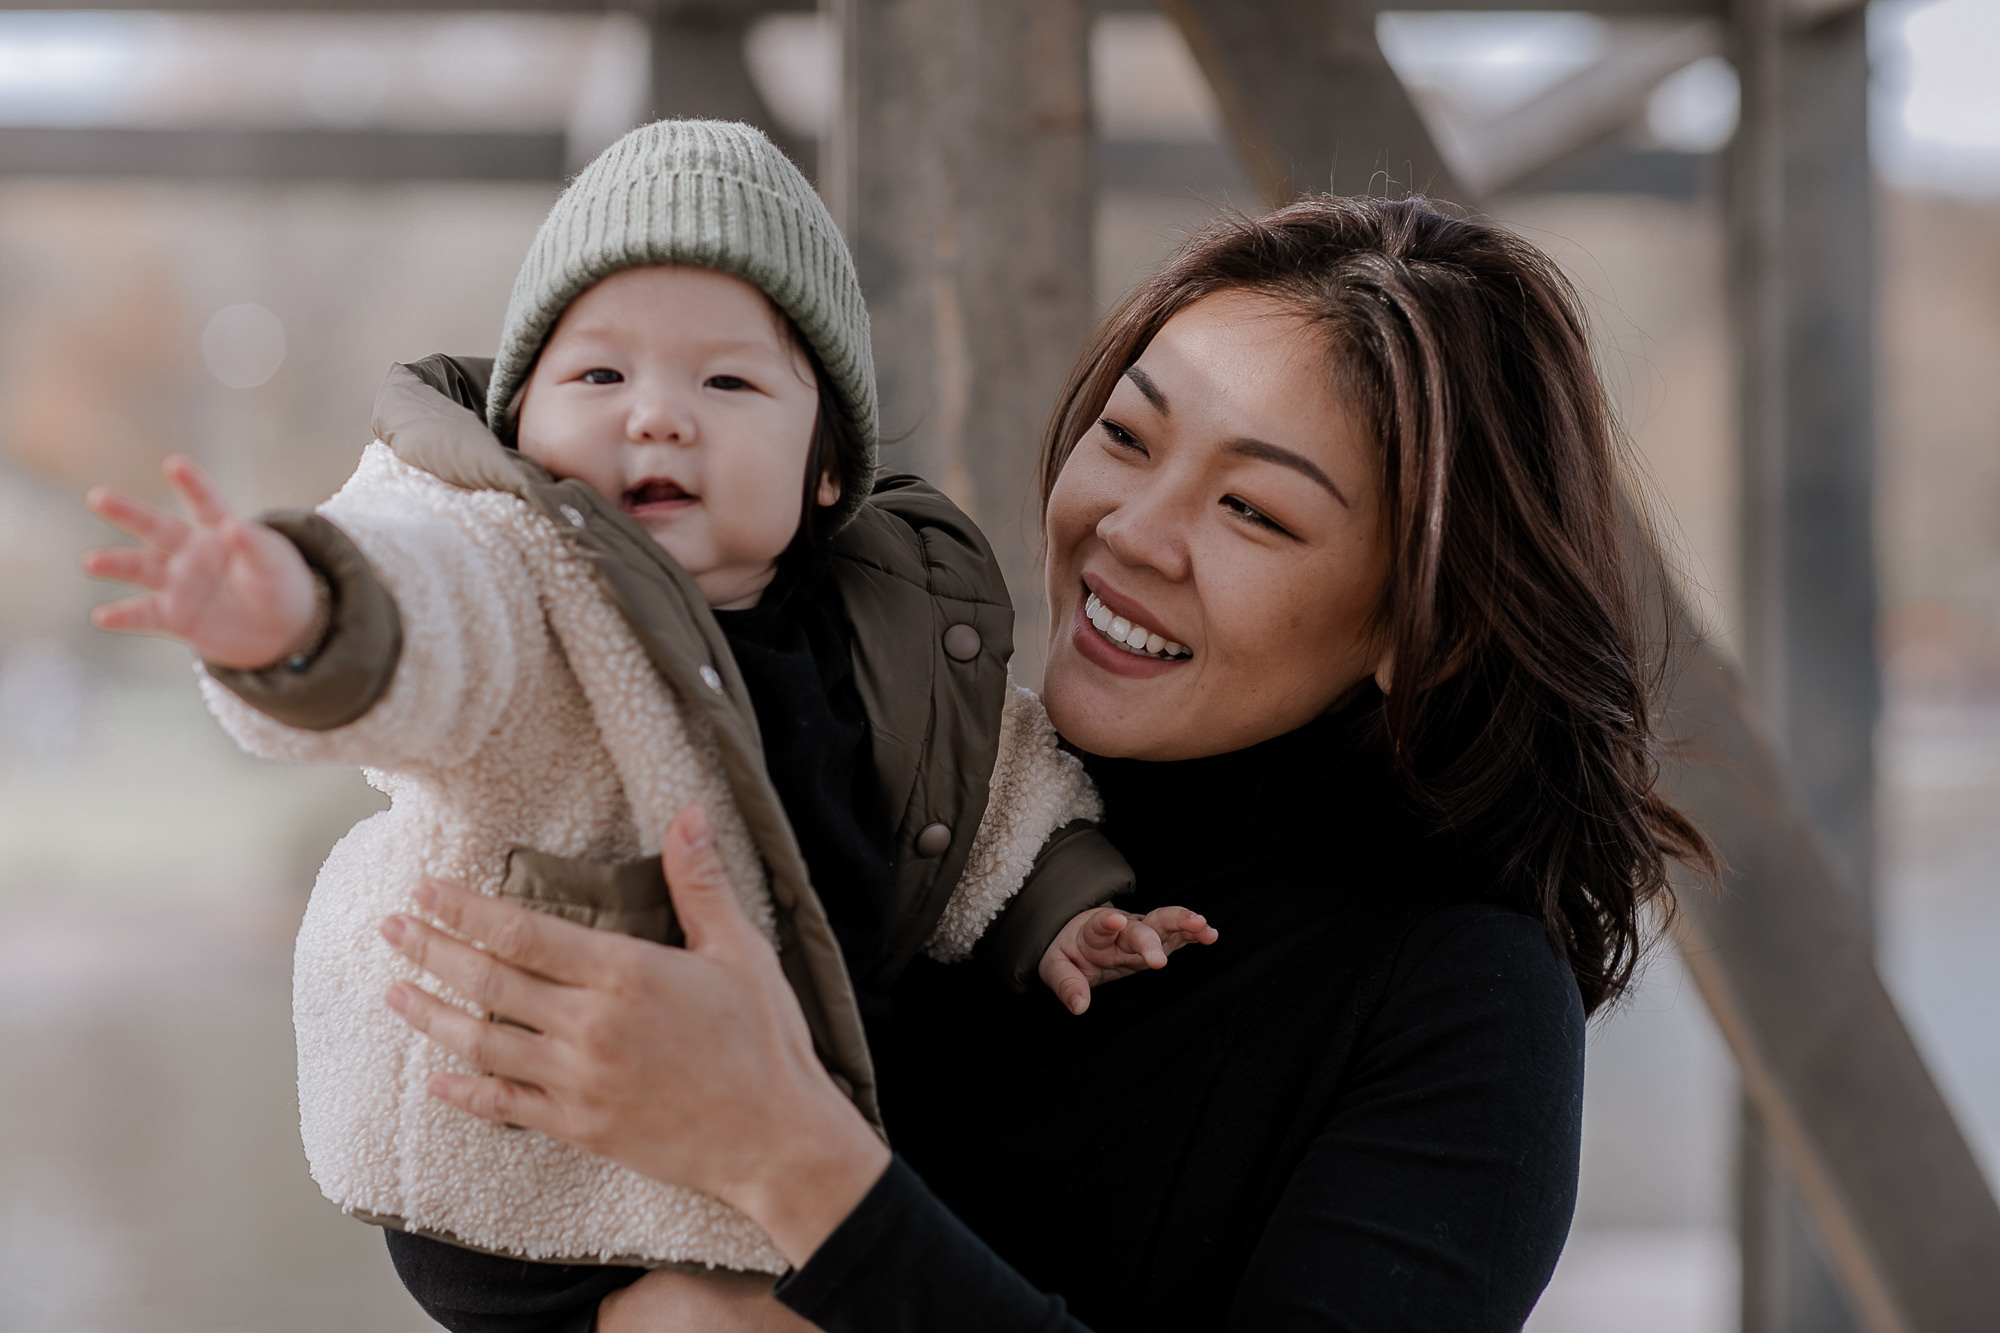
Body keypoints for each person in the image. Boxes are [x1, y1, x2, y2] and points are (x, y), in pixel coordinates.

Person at [377, 194, 1716, 1332]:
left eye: (1253, 509)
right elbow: (488, 1200)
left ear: (1422, 632)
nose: (1132, 528)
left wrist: (787, 1154)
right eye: (1126, 438)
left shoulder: (1458, 996)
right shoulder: (923, 781)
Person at [76, 120, 1215, 1294]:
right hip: (518, 1175)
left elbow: (983, 791)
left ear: (827, 469)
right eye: (599, 375)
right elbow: (433, 617)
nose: (657, 415)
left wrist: (1059, 908)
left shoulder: (888, 625)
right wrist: (303, 612)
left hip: (758, 1146)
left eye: (725, 381)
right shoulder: (526, 575)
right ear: (520, 424)